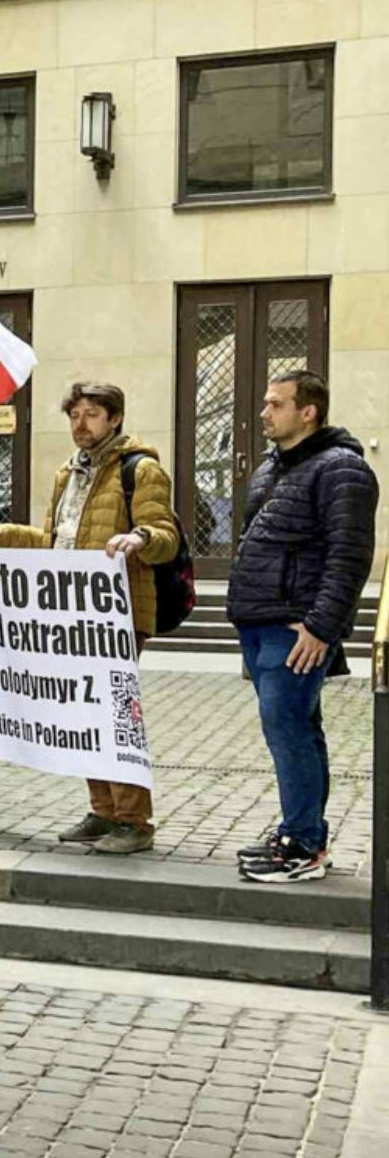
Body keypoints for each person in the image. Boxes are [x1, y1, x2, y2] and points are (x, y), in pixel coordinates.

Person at [0, 383, 182, 856]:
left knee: (114, 714)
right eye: (74, 415)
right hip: (71, 612)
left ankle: (134, 820)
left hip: (120, 611)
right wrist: (4, 533)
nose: (80, 424)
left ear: (114, 418)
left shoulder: (141, 470)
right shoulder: (66, 474)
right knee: (84, 712)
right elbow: (56, 541)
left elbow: (166, 537)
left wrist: (141, 537)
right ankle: (103, 811)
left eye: (91, 414)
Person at [227, 370, 379, 884]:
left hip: (295, 630)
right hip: (260, 622)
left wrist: (321, 626)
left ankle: (304, 846)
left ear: (307, 411)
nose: (264, 412)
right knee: (294, 731)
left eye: (276, 404)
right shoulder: (273, 467)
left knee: (290, 731)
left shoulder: (342, 470)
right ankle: (301, 830)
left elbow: (350, 557)